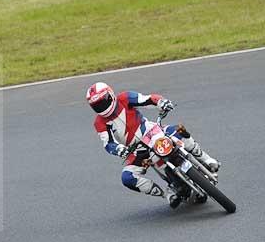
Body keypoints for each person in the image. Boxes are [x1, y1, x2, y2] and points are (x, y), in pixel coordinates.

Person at [85, 82, 220, 208]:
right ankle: (167, 194)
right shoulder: (100, 123)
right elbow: (108, 143)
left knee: (179, 131)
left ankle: (207, 160)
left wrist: (161, 102)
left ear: (110, 95)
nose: (101, 106)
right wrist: (119, 149)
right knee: (127, 177)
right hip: (136, 151)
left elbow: (148, 99)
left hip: (153, 133)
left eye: (103, 102)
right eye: (97, 105)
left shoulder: (125, 98)